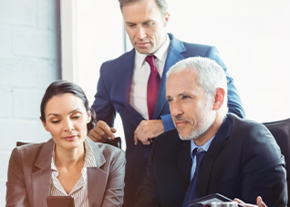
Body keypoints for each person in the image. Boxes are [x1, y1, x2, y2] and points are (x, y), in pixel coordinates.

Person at [89, 0, 245, 205]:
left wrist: (165, 124)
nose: (140, 35)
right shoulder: (111, 70)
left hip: (193, 178)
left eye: (148, 23)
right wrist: (94, 129)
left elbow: (233, 113)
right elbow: (96, 121)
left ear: (166, 19)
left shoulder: (203, 55)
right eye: (131, 25)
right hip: (135, 185)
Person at [134, 57, 287, 207]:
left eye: (185, 97)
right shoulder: (164, 145)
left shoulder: (254, 142)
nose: (174, 111)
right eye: (170, 100)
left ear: (216, 98)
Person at [6, 80, 126, 207]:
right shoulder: (21, 158)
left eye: (76, 116)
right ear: (45, 124)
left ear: (88, 116)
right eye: (56, 120)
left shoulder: (113, 158)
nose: (68, 127)